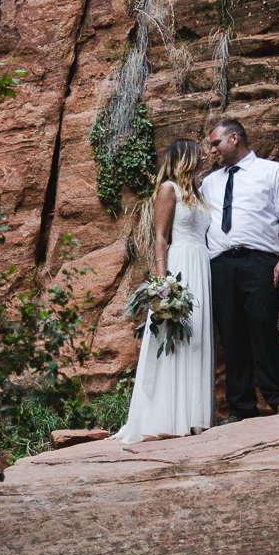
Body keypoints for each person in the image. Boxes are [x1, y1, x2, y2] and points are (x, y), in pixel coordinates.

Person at [200, 117, 279, 421]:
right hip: (219, 264)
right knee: (230, 334)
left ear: (234, 139)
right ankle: (241, 407)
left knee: (263, 326)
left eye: (216, 143)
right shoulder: (209, 183)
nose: (212, 150)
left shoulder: (273, 171)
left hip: (259, 260)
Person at [117, 137, 215, 442]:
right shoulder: (168, 190)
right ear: (184, 158)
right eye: (198, 155)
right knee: (176, 335)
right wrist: (163, 283)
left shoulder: (197, 194)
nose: (204, 158)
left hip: (202, 264)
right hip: (180, 264)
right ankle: (168, 417)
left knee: (197, 336)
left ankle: (195, 416)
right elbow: (160, 237)